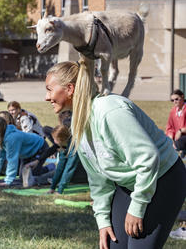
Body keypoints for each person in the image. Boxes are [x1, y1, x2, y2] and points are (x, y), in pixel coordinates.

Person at [45, 59, 186, 249]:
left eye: (49, 89)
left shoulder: (109, 111)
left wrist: (137, 207)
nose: (47, 97)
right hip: (130, 183)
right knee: (114, 245)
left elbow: (148, 158)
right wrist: (103, 220)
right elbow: (98, 179)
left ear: (69, 89)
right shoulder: (79, 125)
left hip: (163, 178)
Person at [0, 117, 50, 187]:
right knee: (22, 177)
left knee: (30, 176)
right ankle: (41, 169)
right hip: (27, 153)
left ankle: (50, 168)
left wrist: (8, 181)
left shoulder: (12, 138)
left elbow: (12, 159)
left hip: (39, 147)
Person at [47, 125, 87, 194]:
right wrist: (52, 187)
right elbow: (60, 167)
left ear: (61, 139)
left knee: (69, 173)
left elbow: (69, 167)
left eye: (55, 139)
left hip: (85, 173)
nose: (54, 141)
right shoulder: (64, 146)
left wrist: (60, 190)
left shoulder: (74, 146)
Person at [166, 89, 186, 157]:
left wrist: (181, 131)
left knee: (179, 143)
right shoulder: (173, 111)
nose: (174, 102)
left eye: (176, 99)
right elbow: (170, 127)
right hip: (176, 139)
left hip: (183, 137)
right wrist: (170, 139)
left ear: (182, 97)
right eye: (172, 100)